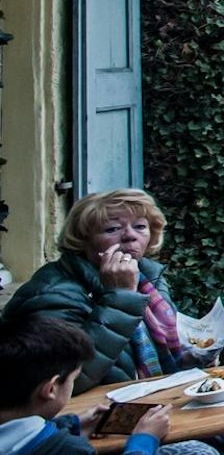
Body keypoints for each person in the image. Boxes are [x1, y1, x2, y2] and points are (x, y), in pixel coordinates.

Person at [3, 191, 198, 390]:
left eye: (140, 226)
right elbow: (61, 383)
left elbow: (165, 346)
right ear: (83, 240)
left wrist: (191, 357)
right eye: (112, 229)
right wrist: (120, 297)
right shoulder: (52, 294)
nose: (130, 235)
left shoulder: (147, 278)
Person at [0, 316, 183, 455]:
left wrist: (73, 423)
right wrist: (145, 439)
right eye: (73, 379)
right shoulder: (71, 449)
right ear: (51, 389)